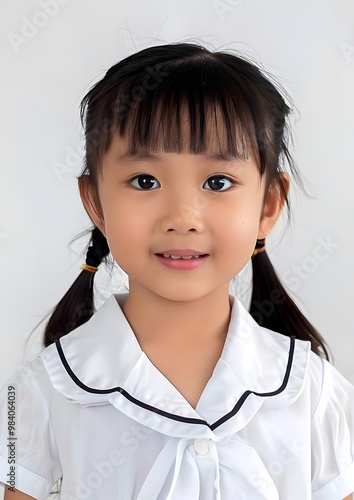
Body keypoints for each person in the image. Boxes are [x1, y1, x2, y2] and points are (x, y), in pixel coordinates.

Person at [1, 42, 353, 500]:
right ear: (96, 203)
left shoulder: (316, 392)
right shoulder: (35, 392)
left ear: (268, 203)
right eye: (145, 181)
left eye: (217, 182)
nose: (183, 216)